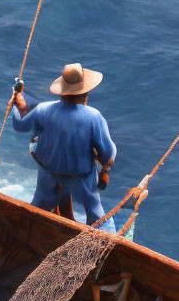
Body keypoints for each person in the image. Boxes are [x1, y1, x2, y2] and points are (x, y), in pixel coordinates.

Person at [11, 63, 116, 231]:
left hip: (48, 172)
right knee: (95, 211)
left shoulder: (43, 109)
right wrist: (105, 171)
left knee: (39, 205)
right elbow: (107, 153)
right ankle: (106, 244)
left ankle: (27, 231)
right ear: (85, 92)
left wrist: (19, 106)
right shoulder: (93, 117)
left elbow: (21, 125)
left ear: (63, 92)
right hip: (80, 177)